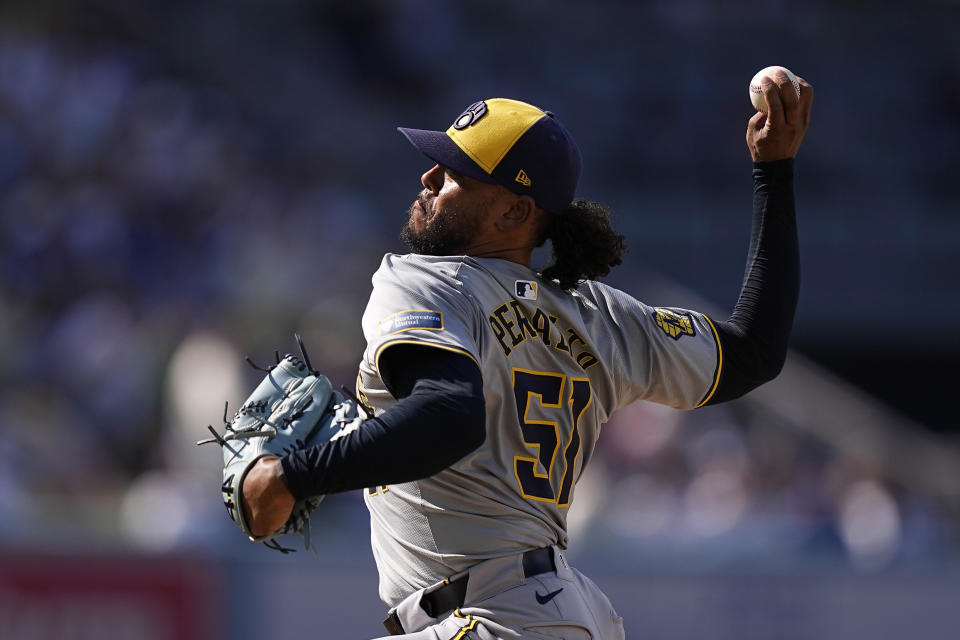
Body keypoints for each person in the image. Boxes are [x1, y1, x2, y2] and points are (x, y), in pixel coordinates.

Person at [240, 75, 813, 639]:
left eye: (456, 173)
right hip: (552, 610)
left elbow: (449, 414)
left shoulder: (427, 283)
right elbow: (752, 353)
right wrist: (775, 172)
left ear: (515, 213)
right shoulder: (597, 316)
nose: (429, 176)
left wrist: (291, 475)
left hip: (490, 615)